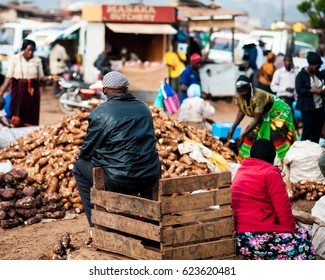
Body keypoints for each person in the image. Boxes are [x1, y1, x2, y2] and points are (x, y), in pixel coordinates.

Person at [72, 71, 160, 242]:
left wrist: (83, 154)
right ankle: (148, 223)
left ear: (104, 91)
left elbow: (87, 151)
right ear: (126, 89)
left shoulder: (100, 113)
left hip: (118, 179)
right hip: (149, 175)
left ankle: (96, 226)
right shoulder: (144, 108)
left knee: (79, 167)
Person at [231, 138, 315, 260]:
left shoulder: (242, 170)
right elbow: (283, 209)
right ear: (272, 159)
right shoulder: (270, 172)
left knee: (300, 234)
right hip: (255, 235)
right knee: (303, 245)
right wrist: (292, 232)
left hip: (239, 237)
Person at [227, 75, 296, 163]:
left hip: (278, 110)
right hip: (264, 113)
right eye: (239, 91)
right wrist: (233, 128)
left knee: (276, 135)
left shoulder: (258, 97)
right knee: (251, 135)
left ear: (250, 88)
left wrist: (243, 134)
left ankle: (282, 160)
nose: (242, 94)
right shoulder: (239, 96)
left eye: (244, 91)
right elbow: (242, 110)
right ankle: (249, 160)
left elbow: (257, 120)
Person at [0, 39, 60, 127]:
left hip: (32, 91)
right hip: (18, 89)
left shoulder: (37, 60)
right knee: (16, 113)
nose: (30, 53)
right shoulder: (15, 59)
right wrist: (1, 92)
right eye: (28, 50)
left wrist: (51, 77)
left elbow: (41, 77)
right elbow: (9, 77)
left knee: (31, 113)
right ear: (24, 49)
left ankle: (29, 133)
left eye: (32, 50)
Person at [295, 51, 325, 144]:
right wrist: (311, 90)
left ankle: (314, 154)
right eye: (316, 67)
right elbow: (299, 90)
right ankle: (304, 153)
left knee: (316, 133)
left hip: (320, 108)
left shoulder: (319, 74)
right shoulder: (301, 75)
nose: (318, 69)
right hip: (308, 108)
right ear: (311, 65)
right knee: (306, 133)